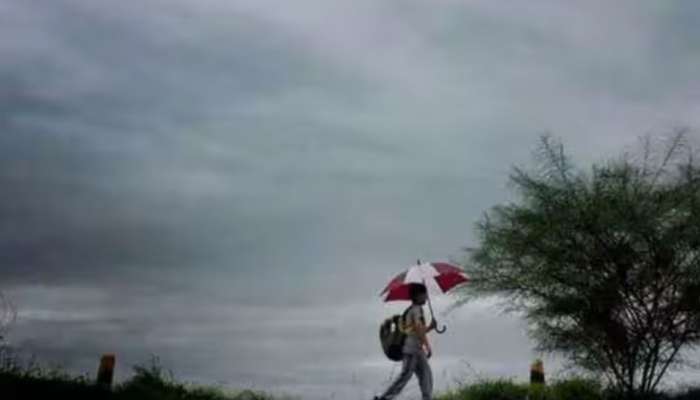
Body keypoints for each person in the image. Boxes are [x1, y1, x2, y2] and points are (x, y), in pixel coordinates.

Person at [375, 283, 437, 400]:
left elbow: (417, 331)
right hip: (411, 350)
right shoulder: (416, 310)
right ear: (418, 296)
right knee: (405, 376)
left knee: (426, 376)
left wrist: (430, 327)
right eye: (424, 294)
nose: (426, 297)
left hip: (417, 350)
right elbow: (419, 330)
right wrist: (428, 346)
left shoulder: (413, 310)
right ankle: (384, 398)